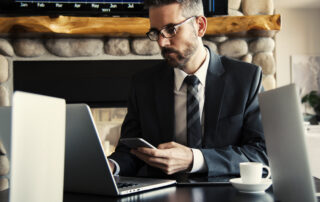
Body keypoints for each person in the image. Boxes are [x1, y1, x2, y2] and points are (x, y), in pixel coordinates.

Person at [107, 0, 268, 178]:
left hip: (225, 193)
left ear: (199, 26)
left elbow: (260, 153)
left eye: (171, 29)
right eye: (155, 32)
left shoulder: (246, 79)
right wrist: (111, 166)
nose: (162, 42)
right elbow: (131, 152)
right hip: (162, 194)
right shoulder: (143, 84)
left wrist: (195, 159)